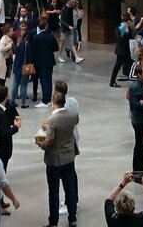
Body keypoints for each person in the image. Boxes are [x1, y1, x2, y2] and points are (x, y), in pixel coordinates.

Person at [37, 90, 80, 227]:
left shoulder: (52, 120)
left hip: (54, 160)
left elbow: (49, 141)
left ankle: (53, 221)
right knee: (70, 189)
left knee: (54, 191)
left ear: (54, 103)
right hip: (69, 157)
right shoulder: (73, 116)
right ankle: (72, 218)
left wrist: (40, 143)